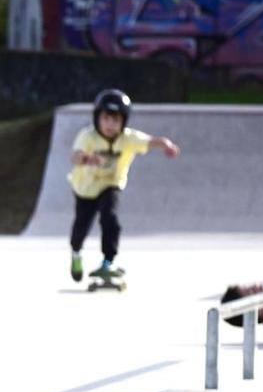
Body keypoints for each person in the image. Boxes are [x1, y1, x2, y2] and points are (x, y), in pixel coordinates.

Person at [67, 89, 180, 283]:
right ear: (97, 118)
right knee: (80, 229)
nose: (111, 125)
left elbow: (152, 141)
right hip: (85, 189)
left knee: (110, 219)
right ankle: (76, 254)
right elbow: (74, 156)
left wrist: (167, 145)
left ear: (124, 122)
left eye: (116, 121)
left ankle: (108, 261)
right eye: (106, 119)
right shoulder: (88, 137)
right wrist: (87, 158)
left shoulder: (128, 138)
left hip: (111, 184)